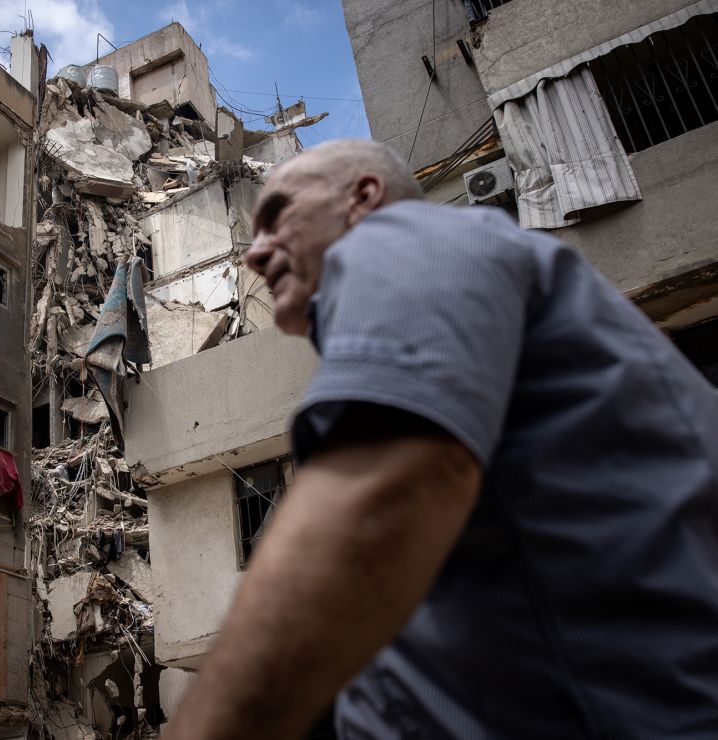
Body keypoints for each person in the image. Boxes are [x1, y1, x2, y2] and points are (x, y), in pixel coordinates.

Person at [162, 140, 718, 739]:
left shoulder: (404, 241)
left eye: (276, 218)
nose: (256, 253)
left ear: (363, 198)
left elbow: (373, 506)